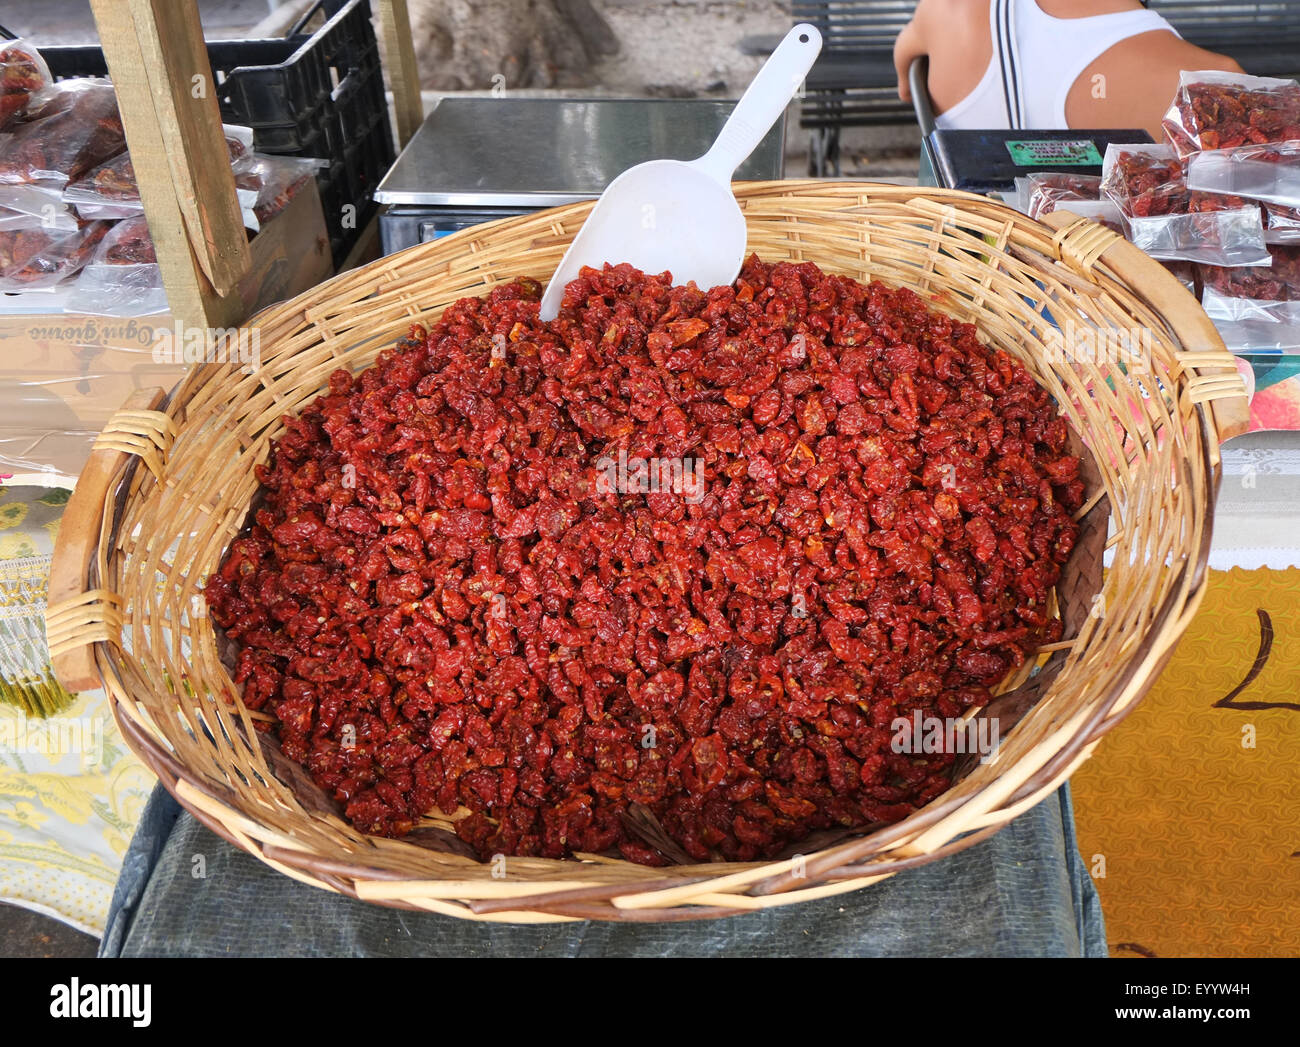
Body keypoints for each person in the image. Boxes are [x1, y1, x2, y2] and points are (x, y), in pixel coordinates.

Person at [893, 0, 1245, 140]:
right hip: (1113, 294)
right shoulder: (1213, 83)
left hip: (970, 277)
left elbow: (907, 84)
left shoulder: (944, 9)